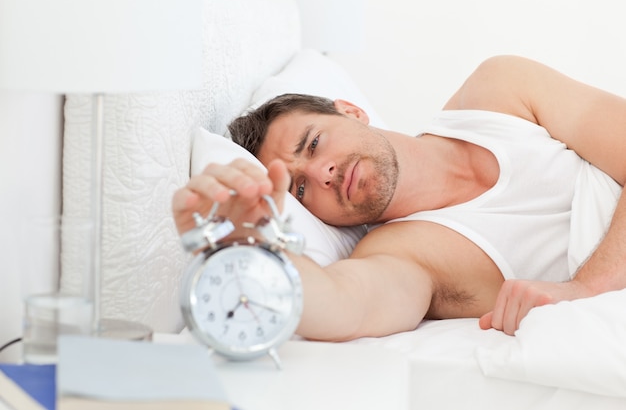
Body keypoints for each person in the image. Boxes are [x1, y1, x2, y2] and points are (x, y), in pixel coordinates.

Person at [172, 55, 626, 341]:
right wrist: (252, 248)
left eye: (312, 144)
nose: (321, 173)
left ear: (351, 111)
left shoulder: (501, 93)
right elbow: (344, 303)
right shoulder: (401, 253)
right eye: (301, 190)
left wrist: (588, 288)